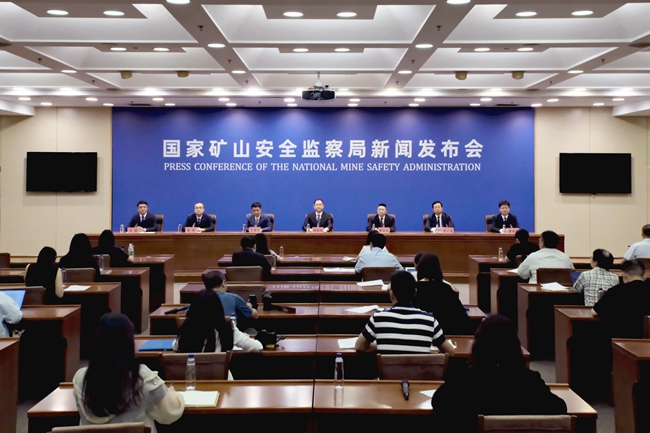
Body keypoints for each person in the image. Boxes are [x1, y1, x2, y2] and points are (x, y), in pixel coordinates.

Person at [432, 314, 567, 432]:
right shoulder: (530, 381)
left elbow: (438, 401)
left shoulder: (464, 380)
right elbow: (560, 408)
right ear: (514, 345)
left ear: (478, 345)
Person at [73, 313, 184, 432]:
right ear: (129, 343)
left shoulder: (81, 379)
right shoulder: (142, 377)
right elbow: (170, 414)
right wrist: (173, 393)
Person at [355, 270, 456, 355]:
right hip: (420, 373)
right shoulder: (429, 320)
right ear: (415, 293)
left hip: (389, 374)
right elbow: (451, 352)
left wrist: (383, 345)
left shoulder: (378, 318)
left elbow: (359, 347)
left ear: (391, 293)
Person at [173, 289, 262, 358]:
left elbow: (175, 346)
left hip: (191, 374)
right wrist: (243, 336)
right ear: (218, 308)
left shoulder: (188, 327)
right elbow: (257, 346)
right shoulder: (227, 327)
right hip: (220, 375)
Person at [412, 253, 472, 335]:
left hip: (419, 332)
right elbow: (460, 314)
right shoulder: (446, 288)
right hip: (445, 332)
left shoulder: (414, 289)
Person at [593, 259, 650, 338]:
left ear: (624, 274)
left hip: (621, 339)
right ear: (644, 275)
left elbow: (595, 312)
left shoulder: (616, 291)